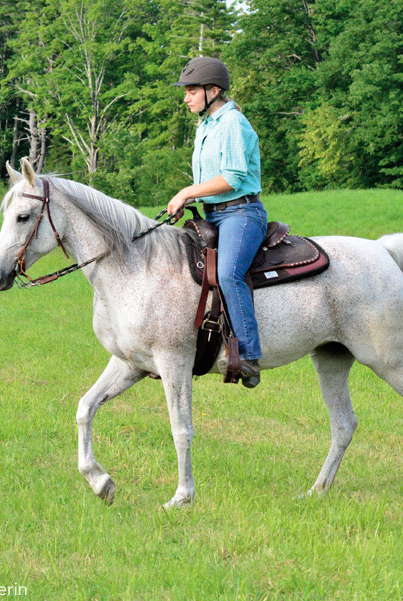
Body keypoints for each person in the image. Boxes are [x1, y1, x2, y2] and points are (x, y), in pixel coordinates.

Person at [168, 57, 265, 388]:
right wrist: (191, 199)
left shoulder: (232, 124)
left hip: (241, 213)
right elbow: (210, 180)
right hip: (213, 214)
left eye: (192, 91)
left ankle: (249, 357)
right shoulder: (206, 126)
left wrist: (187, 192)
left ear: (213, 91)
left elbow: (233, 178)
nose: (186, 98)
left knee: (227, 273)